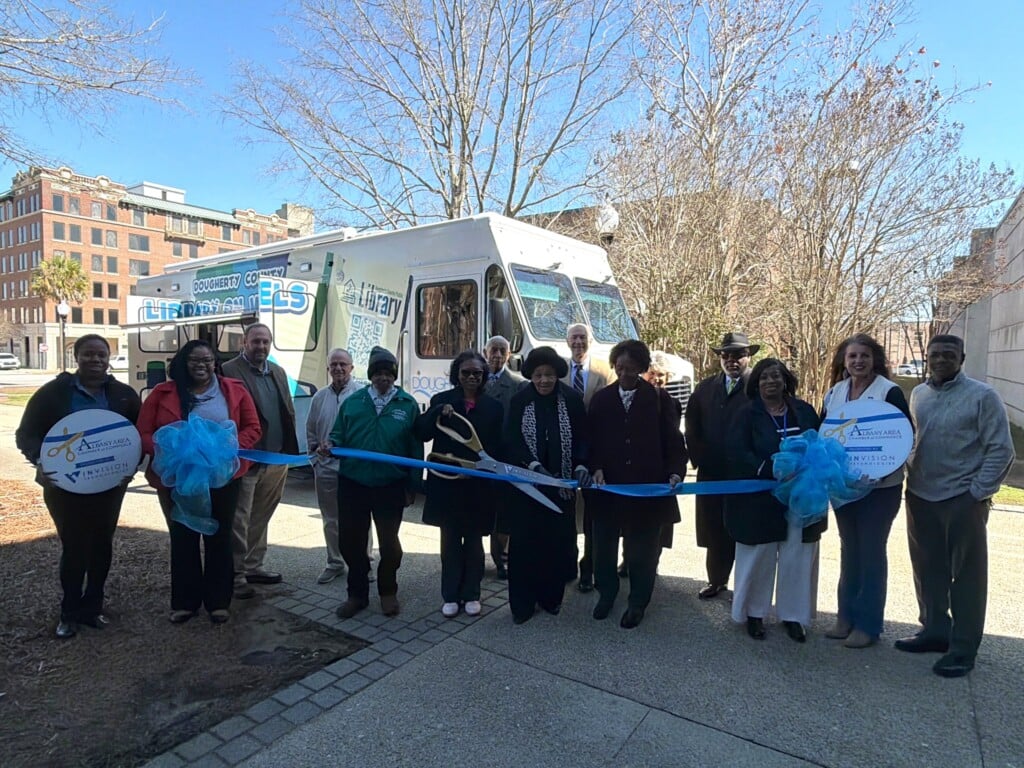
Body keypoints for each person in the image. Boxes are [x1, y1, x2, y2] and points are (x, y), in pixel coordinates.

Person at [897, 334, 1014, 678]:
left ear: (962, 358)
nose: (941, 359)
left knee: (966, 576)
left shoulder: (983, 396)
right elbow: (917, 438)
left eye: (949, 354)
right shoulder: (919, 394)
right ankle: (935, 630)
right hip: (920, 493)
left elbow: (1001, 450)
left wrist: (977, 492)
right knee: (927, 569)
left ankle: (963, 648)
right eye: (935, 354)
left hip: (963, 499)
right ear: (927, 359)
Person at [16, 334, 142, 639]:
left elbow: (137, 435)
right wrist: (40, 461)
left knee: (102, 544)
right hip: (64, 485)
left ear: (109, 358)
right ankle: (69, 613)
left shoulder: (124, 395)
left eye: (101, 355)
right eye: (88, 354)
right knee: (74, 548)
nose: (95, 360)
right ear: (77, 357)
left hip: (109, 484)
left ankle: (93, 608)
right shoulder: (53, 393)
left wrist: (132, 465)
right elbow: (27, 434)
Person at [136, 340, 262, 624]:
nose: (201, 366)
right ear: (183, 362)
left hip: (224, 476)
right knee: (183, 538)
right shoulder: (162, 393)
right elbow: (143, 431)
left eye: (207, 360)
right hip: (178, 477)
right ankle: (185, 602)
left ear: (214, 363)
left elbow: (252, 428)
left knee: (220, 537)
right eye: (195, 360)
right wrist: (172, 450)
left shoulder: (235, 390)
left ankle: (219, 602)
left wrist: (226, 448)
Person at [587, 340, 687, 629]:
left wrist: (675, 472)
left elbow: (674, 443)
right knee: (603, 549)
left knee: (642, 552)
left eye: (632, 370)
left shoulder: (659, 399)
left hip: (648, 491)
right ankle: (606, 594)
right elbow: (591, 441)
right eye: (620, 369)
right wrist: (595, 468)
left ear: (642, 369)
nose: (626, 375)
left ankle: (637, 603)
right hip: (609, 491)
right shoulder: (602, 399)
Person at [820, 333, 912, 648]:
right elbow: (824, 437)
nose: (858, 361)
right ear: (843, 362)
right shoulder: (834, 393)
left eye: (864, 356)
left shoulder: (889, 392)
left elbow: (904, 438)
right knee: (850, 550)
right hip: (844, 487)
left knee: (871, 551)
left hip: (880, 488)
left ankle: (868, 625)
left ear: (875, 360)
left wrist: (878, 470)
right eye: (852, 356)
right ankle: (845, 617)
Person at [725, 358, 822, 642]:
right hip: (759, 499)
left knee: (796, 556)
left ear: (785, 380)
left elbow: (820, 445)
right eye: (764, 377)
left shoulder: (803, 411)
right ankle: (754, 614)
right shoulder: (745, 414)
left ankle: (793, 616)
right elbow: (736, 451)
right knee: (760, 557)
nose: (771, 382)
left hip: (800, 497)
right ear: (756, 382)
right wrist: (768, 469)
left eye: (776, 376)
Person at [329, 346, 422, 620]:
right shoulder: (354, 402)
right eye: (378, 373)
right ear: (370, 375)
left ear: (394, 376)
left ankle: (387, 591)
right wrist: (330, 444)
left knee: (390, 545)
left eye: (388, 373)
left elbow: (415, 448)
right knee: (350, 543)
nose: (383, 378)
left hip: (390, 485)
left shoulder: (407, 405)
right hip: (353, 483)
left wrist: (412, 485)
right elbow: (337, 435)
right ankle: (356, 595)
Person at [415, 351, 503, 618]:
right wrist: (436, 413)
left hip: (478, 487)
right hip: (447, 485)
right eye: (466, 372)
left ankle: (472, 594)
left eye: (477, 372)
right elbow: (421, 431)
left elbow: (498, 448)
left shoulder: (494, 407)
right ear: (457, 375)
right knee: (450, 541)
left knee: (475, 543)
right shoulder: (441, 400)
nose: (471, 377)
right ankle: (450, 595)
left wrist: (483, 473)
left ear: (484, 375)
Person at [505, 346, 589, 624]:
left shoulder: (573, 400)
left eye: (549, 375)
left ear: (557, 376)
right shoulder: (519, 401)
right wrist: (533, 467)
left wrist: (579, 463)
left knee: (556, 545)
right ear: (531, 376)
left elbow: (583, 438)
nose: (544, 380)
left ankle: (551, 598)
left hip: (562, 489)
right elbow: (512, 440)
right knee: (524, 547)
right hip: (527, 490)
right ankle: (522, 605)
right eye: (539, 375)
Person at [222, 323, 299, 599]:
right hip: (246, 459)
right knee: (239, 519)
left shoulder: (277, 371)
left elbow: (286, 410)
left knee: (262, 514)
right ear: (244, 342)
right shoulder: (229, 371)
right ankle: (236, 574)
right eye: (256, 342)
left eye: (266, 342)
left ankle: (254, 565)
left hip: (276, 457)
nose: (261, 347)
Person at [685, 332, 757, 600]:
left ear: (749, 356)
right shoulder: (705, 388)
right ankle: (716, 580)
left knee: (745, 532)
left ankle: (746, 591)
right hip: (712, 473)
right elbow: (691, 426)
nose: (731, 360)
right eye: (726, 355)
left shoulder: (758, 387)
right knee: (714, 530)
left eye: (738, 354)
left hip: (746, 476)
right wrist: (700, 458)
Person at [306, 348, 373, 585]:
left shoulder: (363, 395)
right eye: (333, 364)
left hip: (354, 469)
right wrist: (314, 459)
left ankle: (365, 562)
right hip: (325, 468)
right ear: (328, 369)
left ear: (352, 368)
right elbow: (311, 431)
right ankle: (335, 562)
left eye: (343, 364)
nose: (338, 369)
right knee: (330, 518)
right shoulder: (319, 397)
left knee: (360, 518)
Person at [560, 323, 613, 593]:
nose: (578, 342)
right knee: (567, 512)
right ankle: (567, 563)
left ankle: (588, 569)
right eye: (574, 338)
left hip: (595, 451)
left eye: (582, 337)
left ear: (590, 340)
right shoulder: (558, 372)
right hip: (565, 452)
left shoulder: (606, 370)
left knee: (592, 516)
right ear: (567, 341)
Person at [483, 334, 526, 579]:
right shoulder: (475, 381)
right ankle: (486, 558)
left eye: (502, 351)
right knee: (485, 509)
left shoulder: (519, 384)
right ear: (485, 351)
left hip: (507, 458)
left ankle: (504, 560)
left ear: (509, 355)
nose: (497, 355)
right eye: (493, 350)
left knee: (506, 512)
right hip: (481, 456)